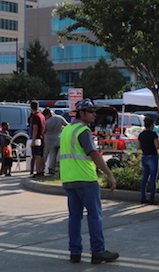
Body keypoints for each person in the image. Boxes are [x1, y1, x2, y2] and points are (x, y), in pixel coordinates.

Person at [59, 99, 119, 264]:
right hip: (85, 179)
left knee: (74, 217)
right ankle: (98, 251)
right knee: (94, 216)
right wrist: (109, 174)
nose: (94, 114)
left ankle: (75, 252)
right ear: (81, 113)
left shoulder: (66, 130)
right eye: (90, 111)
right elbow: (93, 154)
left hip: (69, 180)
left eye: (94, 111)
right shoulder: (83, 131)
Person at [138, 116, 159, 204]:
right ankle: (152, 197)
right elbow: (157, 146)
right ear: (152, 125)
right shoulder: (153, 134)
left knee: (145, 178)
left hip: (144, 156)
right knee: (153, 178)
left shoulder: (141, 134)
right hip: (153, 156)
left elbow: (139, 146)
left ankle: (143, 196)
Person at [44, 108, 69, 175]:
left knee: (45, 154)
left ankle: (43, 168)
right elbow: (67, 125)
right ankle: (52, 169)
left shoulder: (47, 122)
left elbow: (43, 131)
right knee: (53, 154)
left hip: (48, 138)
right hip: (58, 138)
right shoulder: (60, 118)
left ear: (48, 114)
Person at [28, 101, 47, 178]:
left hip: (37, 139)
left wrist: (33, 139)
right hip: (42, 137)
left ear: (31, 107)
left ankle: (39, 171)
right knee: (41, 155)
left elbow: (35, 128)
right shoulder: (42, 116)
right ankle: (41, 170)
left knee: (37, 155)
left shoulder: (35, 116)